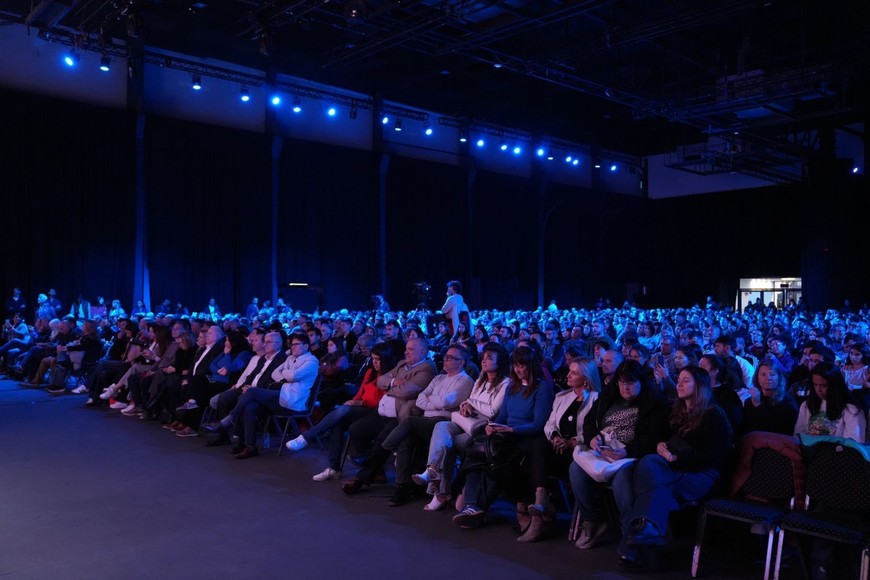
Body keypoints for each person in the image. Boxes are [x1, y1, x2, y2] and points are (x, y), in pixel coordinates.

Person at [620, 366, 732, 570]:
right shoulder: (679, 411)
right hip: (673, 468)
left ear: (699, 385)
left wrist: (675, 458)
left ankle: (641, 537)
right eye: (678, 379)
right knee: (647, 462)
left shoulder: (714, 416)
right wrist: (661, 446)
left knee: (656, 487)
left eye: (685, 380)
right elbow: (665, 439)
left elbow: (712, 458)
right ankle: (648, 534)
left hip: (701, 474)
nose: (679, 384)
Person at [452, 346, 554, 534]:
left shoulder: (542, 388)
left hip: (527, 436)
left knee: (496, 455)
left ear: (530, 366)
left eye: (522, 366)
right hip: (506, 433)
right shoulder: (512, 387)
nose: (518, 370)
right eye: (515, 366)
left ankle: (479, 505)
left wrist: (511, 429)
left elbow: (538, 424)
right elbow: (503, 416)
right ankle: (470, 502)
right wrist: (493, 426)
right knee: (475, 446)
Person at [570, 359, 669, 551]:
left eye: (631, 383)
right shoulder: (607, 398)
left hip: (631, 455)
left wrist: (627, 451)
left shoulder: (654, 404)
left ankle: (629, 533)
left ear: (640, 382)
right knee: (575, 469)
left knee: (622, 479)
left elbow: (653, 437)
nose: (626, 387)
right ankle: (591, 521)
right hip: (603, 451)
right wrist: (592, 437)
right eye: (622, 383)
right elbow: (589, 421)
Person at [414, 342, 510, 511]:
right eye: (483, 357)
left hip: (481, 427)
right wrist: (466, 404)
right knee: (442, 426)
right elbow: (469, 400)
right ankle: (432, 471)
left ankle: (440, 492)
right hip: (465, 420)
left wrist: (471, 403)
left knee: (447, 444)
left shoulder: (505, 383)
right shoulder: (480, 380)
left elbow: (492, 410)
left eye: (489, 358)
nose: (484, 360)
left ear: (500, 361)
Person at [285, 344, 396, 481]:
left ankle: (308, 437)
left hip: (375, 411)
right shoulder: (370, 372)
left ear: (385, 359)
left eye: (377, 359)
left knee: (343, 410)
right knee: (339, 421)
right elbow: (360, 393)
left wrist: (360, 403)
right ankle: (334, 469)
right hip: (360, 407)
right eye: (373, 359)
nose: (375, 362)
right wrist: (353, 401)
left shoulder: (389, 376)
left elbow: (381, 401)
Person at [217, 332, 316, 459]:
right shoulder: (290, 359)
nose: (293, 347)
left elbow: (294, 376)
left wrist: (286, 374)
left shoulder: (311, 361)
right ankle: (250, 446)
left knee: (252, 391)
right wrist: (287, 376)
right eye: (292, 345)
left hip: (294, 400)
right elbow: (275, 374)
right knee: (250, 407)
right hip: (282, 394)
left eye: (296, 344)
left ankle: (231, 417)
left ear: (306, 346)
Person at [794, 362, 866, 442]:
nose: (818, 390)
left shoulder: (851, 410)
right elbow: (798, 436)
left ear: (835, 385)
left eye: (823, 385)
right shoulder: (807, 405)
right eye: (815, 385)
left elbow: (853, 444)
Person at [740, 360, 799, 437]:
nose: (768, 378)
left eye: (772, 374)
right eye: (763, 375)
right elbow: (745, 429)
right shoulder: (750, 401)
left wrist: (758, 405)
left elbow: (777, 429)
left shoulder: (787, 401)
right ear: (757, 378)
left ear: (779, 377)